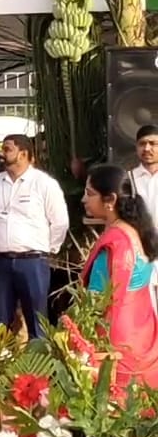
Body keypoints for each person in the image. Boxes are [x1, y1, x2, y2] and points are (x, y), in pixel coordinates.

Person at [0, 134, 69, 340]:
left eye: (7, 149)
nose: (2, 154)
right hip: (0, 261)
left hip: (33, 262)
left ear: (23, 154)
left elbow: (60, 222)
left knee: (37, 323)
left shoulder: (44, 183)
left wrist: (48, 249)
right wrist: (2, 241)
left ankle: (38, 371)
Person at [82, 164, 158, 386]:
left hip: (116, 339)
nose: (84, 200)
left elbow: (95, 299)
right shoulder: (137, 231)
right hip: (143, 331)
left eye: (90, 194)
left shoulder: (115, 242)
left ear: (110, 199)